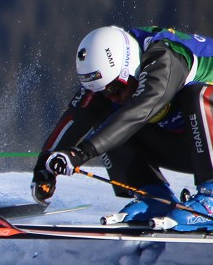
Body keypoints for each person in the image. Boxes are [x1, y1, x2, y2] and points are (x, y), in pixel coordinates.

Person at [32, 25, 213, 230]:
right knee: (107, 117)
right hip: (193, 147)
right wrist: (43, 167)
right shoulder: (118, 74)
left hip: (203, 135)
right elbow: (78, 115)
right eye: (104, 91)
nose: (113, 96)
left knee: (197, 95)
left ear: (129, 66)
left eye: (115, 88)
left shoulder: (165, 58)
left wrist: (82, 153)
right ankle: (154, 197)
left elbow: (140, 109)